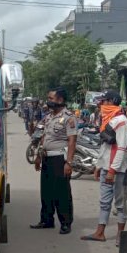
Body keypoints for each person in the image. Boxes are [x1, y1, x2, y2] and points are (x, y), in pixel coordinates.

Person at [81, 90, 127, 245]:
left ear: (111, 102)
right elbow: (105, 146)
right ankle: (100, 232)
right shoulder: (108, 120)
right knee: (104, 201)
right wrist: (99, 165)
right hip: (105, 166)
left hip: (117, 170)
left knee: (120, 203)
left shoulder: (122, 121)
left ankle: (120, 235)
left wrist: (112, 170)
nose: (102, 104)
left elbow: (121, 148)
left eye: (105, 101)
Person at [30, 87, 77, 234]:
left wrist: (68, 163)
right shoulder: (49, 117)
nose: (48, 101)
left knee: (61, 192)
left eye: (51, 98)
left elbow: (72, 141)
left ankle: (65, 223)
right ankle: (46, 220)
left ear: (60, 100)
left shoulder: (69, 117)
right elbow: (43, 137)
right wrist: (38, 156)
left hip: (59, 159)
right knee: (46, 191)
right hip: (46, 157)